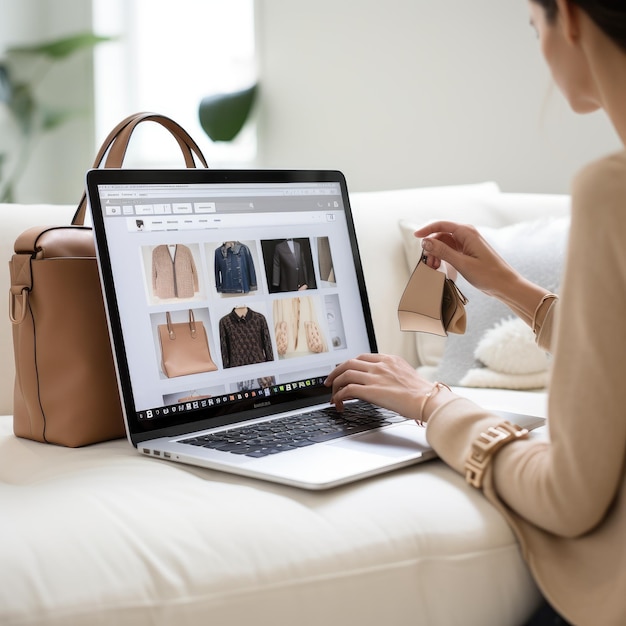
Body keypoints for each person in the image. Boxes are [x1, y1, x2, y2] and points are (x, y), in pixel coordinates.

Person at [325, 2, 626, 624]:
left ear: (567, 18)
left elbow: (568, 499)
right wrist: (512, 287)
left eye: (532, 25)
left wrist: (433, 403)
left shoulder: (611, 190)